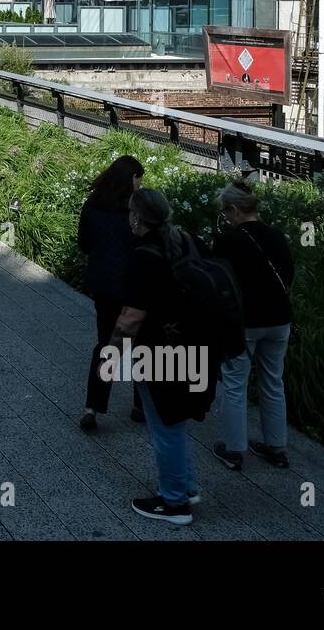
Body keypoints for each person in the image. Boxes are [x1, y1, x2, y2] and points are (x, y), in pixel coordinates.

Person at [113, 189, 218, 525]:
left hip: (160, 353)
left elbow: (132, 316)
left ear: (137, 217)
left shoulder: (144, 255)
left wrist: (111, 350)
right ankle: (185, 487)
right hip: (195, 346)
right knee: (176, 424)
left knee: (165, 428)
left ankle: (174, 504)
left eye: (130, 211)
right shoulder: (187, 240)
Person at [211, 180, 295, 471]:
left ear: (234, 210)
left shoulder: (227, 242)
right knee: (273, 381)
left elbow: (218, 282)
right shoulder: (277, 236)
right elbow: (289, 275)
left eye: (225, 212)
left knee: (235, 383)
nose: (225, 217)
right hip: (279, 318)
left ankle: (234, 451)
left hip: (244, 322)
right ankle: (276, 448)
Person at [76, 155, 145, 433]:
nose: (141, 183)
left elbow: (84, 245)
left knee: (106, 344)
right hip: (133, 289)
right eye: (139, 178)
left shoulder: (92, 206)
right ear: (130, 179)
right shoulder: (136, 210)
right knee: (142, 346)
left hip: (103, 287)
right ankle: (141, 406)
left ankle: (92, 407)